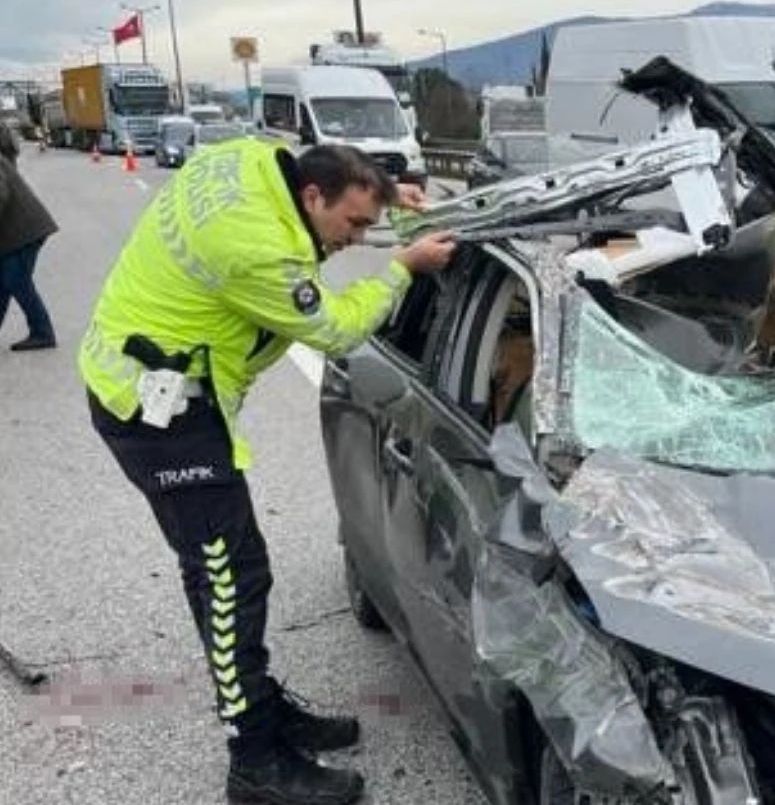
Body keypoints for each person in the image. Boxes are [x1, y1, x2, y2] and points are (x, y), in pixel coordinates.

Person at [78, 137, 457, 805]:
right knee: (229, 576)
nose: (356, 238)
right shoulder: (255, 246)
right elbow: (336, 329)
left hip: (153, 380)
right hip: (153, 409)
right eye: (354, 225)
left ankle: (260, 708)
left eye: (367, 226)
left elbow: (338, 169)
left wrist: (392, 198)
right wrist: (401, 266)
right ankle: (254, 760)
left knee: (228, 568)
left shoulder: (255, 160)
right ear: (312, 198)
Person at [0, 126, 59, 351]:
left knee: (16, 281)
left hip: (24, 232)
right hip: (18, 234)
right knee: (4, 283)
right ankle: (41, 331)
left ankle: (43, 333)